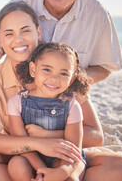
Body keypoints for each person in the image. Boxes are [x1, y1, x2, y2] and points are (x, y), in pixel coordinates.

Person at [0, 1, 122, 181]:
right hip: (21, 155)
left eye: (26, 30)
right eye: (9, 34)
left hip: (65, 153)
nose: (18, 39)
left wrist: (52, 139)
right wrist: (36, 143)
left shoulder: (61, 68)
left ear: (38, 32)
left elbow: (96, 136)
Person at [8, 42, 91, 181]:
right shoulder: (16, 102)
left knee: (71, 178)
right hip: (31, 155)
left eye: (63, 73)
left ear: (72, 78)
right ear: (33, 69)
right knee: (16, 165)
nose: (54, 78)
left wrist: (62, 172)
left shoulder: (72, 106)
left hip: (67, 158)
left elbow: (74, 149)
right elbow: (21, 145)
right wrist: (43, 172)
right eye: (47, 70)